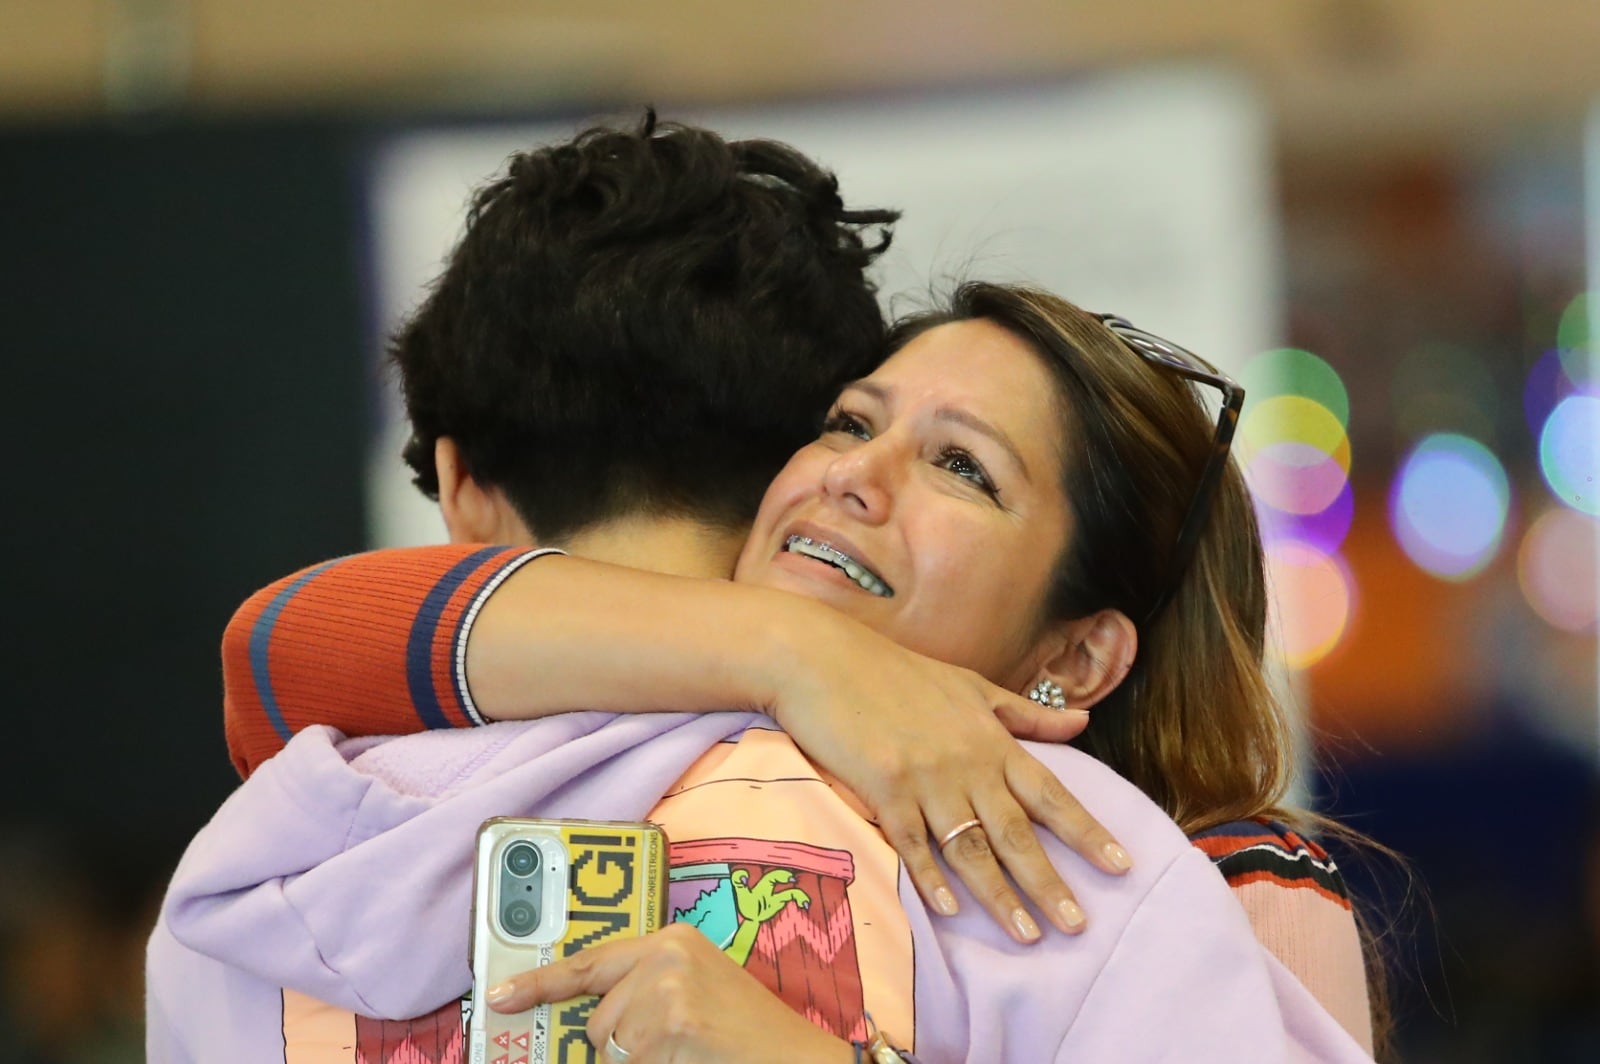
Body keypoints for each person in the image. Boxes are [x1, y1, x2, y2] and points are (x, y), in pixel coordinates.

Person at [152, 282, 1374, 1060]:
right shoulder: (389, 788)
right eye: (849, 420)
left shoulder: (1139, 878)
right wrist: (792, 651)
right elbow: (278, 642)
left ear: (1076, 651)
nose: (856, 469)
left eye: (963, 467)